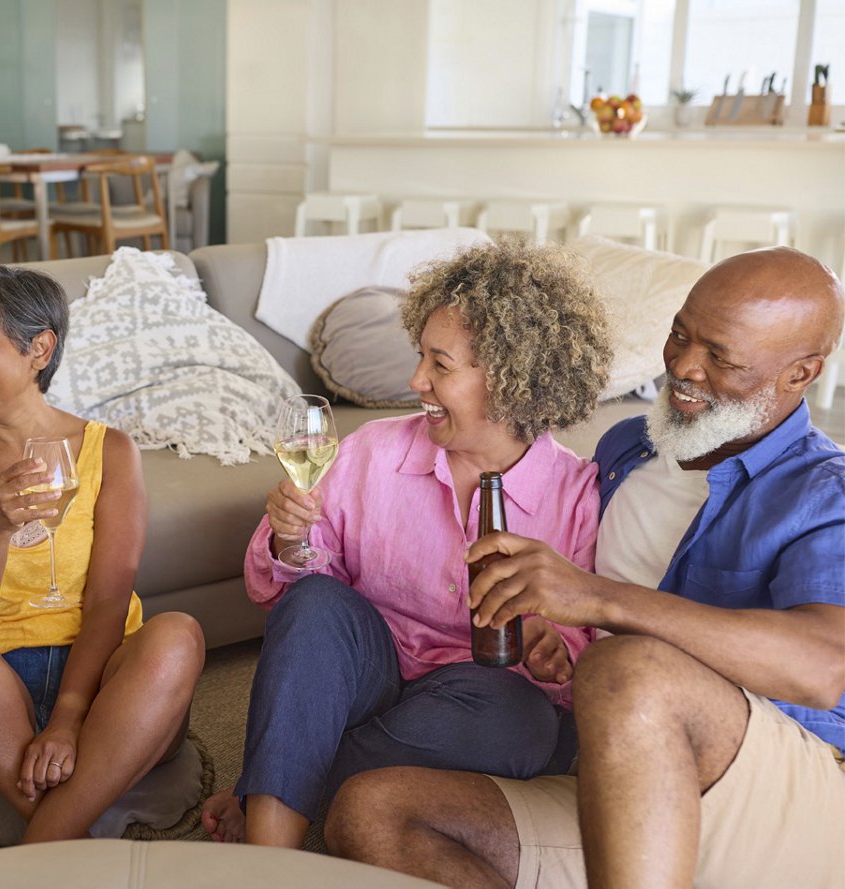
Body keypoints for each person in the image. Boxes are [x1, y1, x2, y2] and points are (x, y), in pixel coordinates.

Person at [325, 246, 845, 889]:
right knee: (371, 812)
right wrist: (552, 633)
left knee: (630, 663)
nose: (684, 366)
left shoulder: (823, 492)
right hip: (624, 770)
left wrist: (598, 599)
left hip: (781, 795)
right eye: (680, 334)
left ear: (802, 373)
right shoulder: (627, 447)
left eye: (722, 357)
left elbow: (825, 667)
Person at [201, 240, 616, 847]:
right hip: (369, 674)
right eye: (420, 356)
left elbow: (582, 662)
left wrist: (547, 651)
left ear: (509, 382)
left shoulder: (578, 496)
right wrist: (291, 541)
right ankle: (270, 858)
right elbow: (304, 598)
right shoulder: (374, 450)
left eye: (440, 365)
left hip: (474, 697)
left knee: (526, 724)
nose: (414, 379)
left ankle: (278, 780)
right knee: (314, 602)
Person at [0, 265, 205, 842]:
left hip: (102, 687)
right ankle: (65, 830)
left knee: (178, 633)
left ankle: (46, 842)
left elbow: (110, 598)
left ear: (39, 349)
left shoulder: (109, 450)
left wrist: (67, 718)